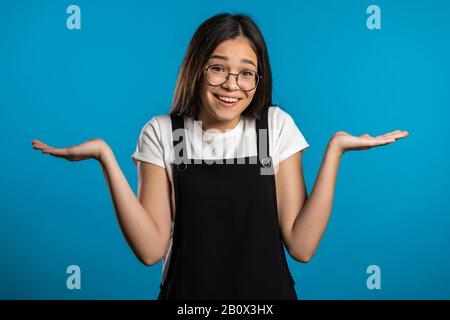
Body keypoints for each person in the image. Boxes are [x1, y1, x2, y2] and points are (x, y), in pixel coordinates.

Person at [31, 13, 408, 300]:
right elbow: (150, 251)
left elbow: (301, 246)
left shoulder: (273, 127)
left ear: (259, 79)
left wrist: (335, 151)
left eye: (247, 73)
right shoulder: (163, 132)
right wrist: (105, 157)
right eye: (218, 69)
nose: (232, 85)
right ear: (197, 69)